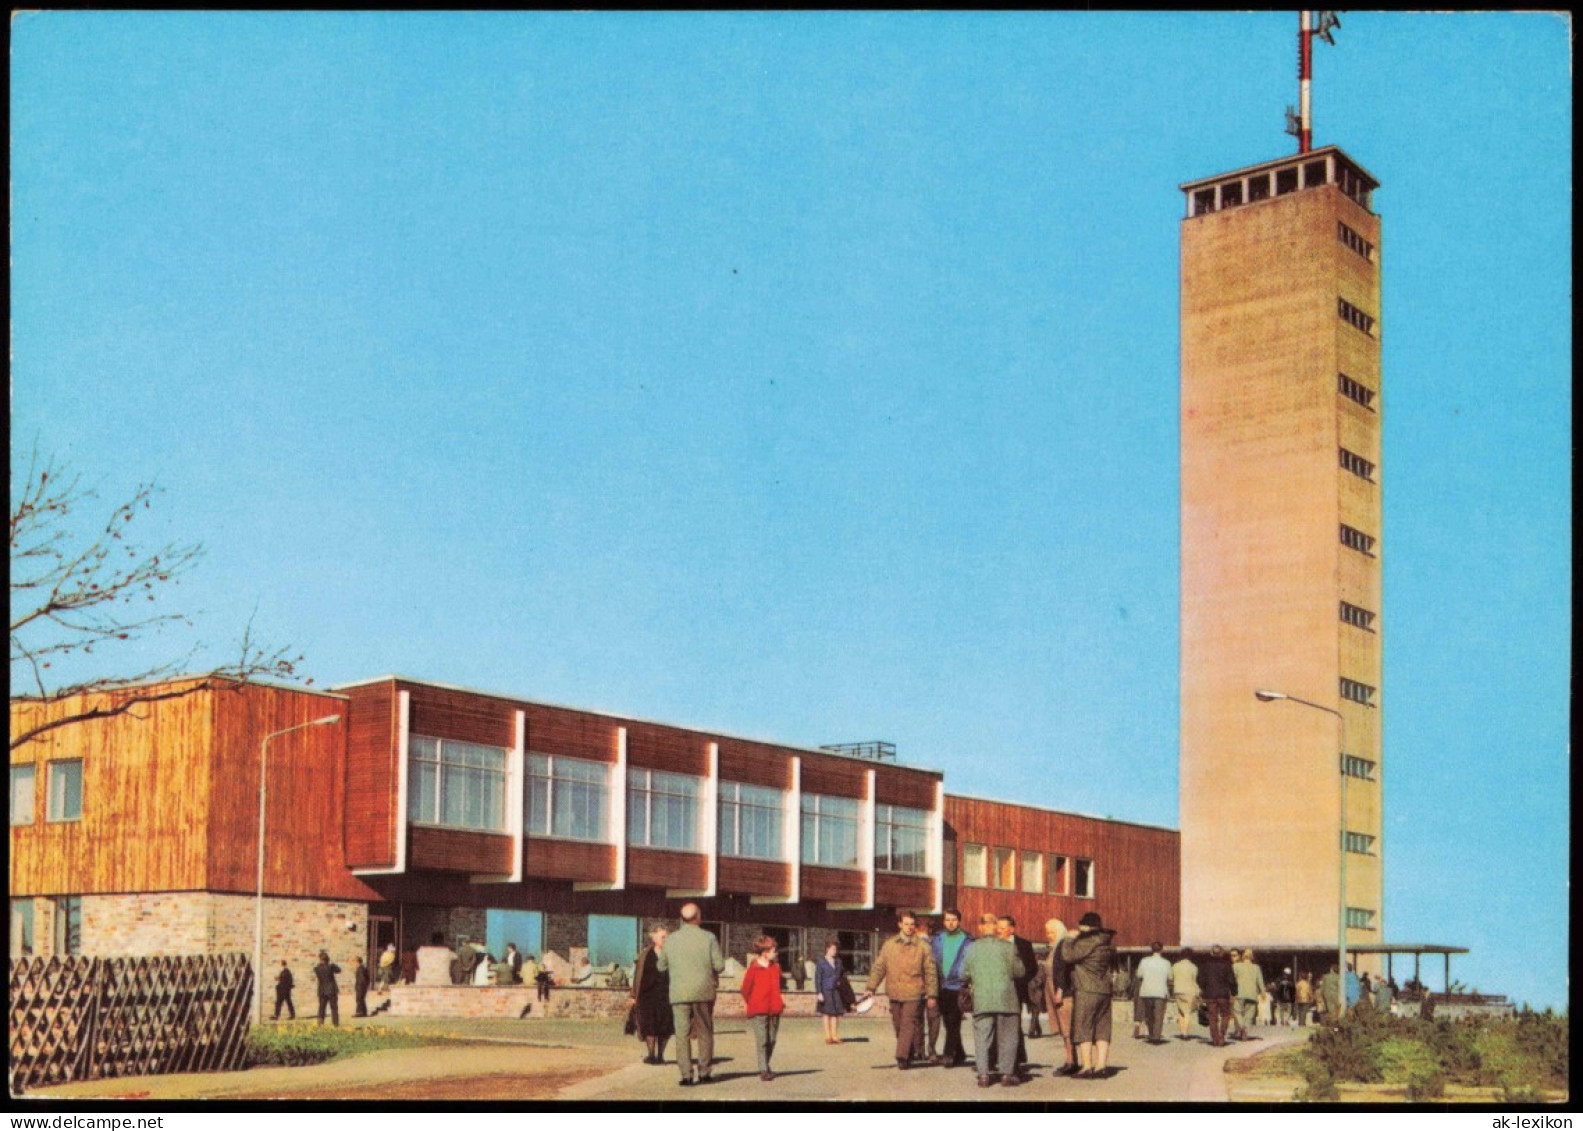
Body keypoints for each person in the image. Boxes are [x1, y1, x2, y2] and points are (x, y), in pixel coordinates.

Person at [656, 902, 725, 1087]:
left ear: (681, 918)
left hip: (679, 992)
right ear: (698, 916)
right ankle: (705, 1073)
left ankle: (686, 1075)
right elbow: (720, 965)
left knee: (682, 1034)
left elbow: (660, 966)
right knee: (705, 1033)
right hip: (704, 991)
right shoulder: (709, 937)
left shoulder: (671, 940)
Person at [865, 910, 939, 1071]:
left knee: (907, 1024)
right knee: (899, 1025)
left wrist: (932, 993)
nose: (909, 927)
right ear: (900, 924)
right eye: (906, 924)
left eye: (912, 924)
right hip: (894, 992)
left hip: (914, 992)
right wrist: (871, 987)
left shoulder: (923, 946)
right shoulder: (889, 945)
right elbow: (879, 967)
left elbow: (930, 971)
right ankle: (909, 1051)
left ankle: (902, 1056)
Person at [961, 910, 1025, 1088]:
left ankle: (983, 1075)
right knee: (1008, 1037)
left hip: (982, 999)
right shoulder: (1008, 947)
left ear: (980, 928)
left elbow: (963, 974)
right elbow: (1020, 972)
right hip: (1006, 999)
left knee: (982, 1037)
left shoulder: (971, 948)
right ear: (996, 927)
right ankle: (1006, 1074)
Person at [1059, 910, 1117, 1078]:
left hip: (1086, 989)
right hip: (1105, 991)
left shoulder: (1088, 941)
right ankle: (1101, 1067)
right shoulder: (1108, 943)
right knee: (1102, 1029)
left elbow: (1068, 956)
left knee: (1083, 1027)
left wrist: (1069, 938)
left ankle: (1086, 1067)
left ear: (1086, 926)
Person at [929, 908, 974, 1066]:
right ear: (943, 921)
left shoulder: (968, 940)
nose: (950, 923)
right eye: (947, 920)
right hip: (942, 985)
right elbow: (932, 961)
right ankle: (960, 1052)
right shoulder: (938, 938)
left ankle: (948, 1055)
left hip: (958, 985)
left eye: (953, 920)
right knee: (947, 1022)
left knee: (954, 1019)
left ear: (959, 921)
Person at [740, 935, 786, 1082]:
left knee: (771, 1039)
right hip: (758, 1009)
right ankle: (763, 1070)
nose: (776, 953)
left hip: (774, 1008)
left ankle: (765, 1064)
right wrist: (753, 1002)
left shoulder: (776, 967)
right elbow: (745, 990)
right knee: (762, 1041)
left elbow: (780, 986)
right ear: (765, 952)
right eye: (773, 950)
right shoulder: (753, 969)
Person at [629, 923, 675, 1065]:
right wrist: (633, 995)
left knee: (665, 1026)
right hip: (647, 996)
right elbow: (638, 976)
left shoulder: (672, 955)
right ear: (653, 937)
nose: (665, 939)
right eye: (662, 936)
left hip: (666, 995)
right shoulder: (644, 955)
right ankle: (651, 1054)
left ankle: (661, 1055)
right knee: (649, 1025)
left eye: (667, 937)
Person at [996, 916, 1036, 1076]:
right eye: (998, 927)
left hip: (1016, 990)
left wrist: (1020, 979)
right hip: (997, 990)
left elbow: (1032, 968)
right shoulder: (994, 943)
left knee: (1014, 1027)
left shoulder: (1024, 945)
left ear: (1012, 929)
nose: (999, 930)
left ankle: (1016, 1061)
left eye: (1003, 927)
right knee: (996, 1024)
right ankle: (997, 1060)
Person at [1043, 919, 1077, 1074]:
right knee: (1064, 1029)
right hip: (1053, 990)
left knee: (1067, 1029)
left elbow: (1063, 970)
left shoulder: (1062, 946)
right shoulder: (1054, 947)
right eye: (1047, 932)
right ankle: (1069, 1059)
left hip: (1062, 993)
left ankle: (1071, 1061)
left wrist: (1060, 990)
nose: (1048, 935)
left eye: (1052, 932)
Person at [1197, 945, 1237, 1047]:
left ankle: (1215, 1038)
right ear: (1222, 953)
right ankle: (1221, 1034)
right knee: (1225, 1015)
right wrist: (1234, 992)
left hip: (1210, 994)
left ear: (1211, 953)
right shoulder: (1227, 965)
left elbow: (1199, 979)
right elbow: (1232, 980)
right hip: (1223, 994)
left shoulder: (1205, 965)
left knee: (1212, 1016)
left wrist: (1204, 988)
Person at [1135, 941, 1172, 1043]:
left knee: (1149, 1015)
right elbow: (1170, 977)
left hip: (1147, 990)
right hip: (1160, 991)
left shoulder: (1144, 961)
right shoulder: (1166, 963)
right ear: (1162, 950)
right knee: (1158, 1015)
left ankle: (1151, 1034)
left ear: (1151, 949)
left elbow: (1139, 975)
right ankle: (1156, 1036)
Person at [814, 937, 847, 1045]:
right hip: (825, 991)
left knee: (835, 1014)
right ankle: (828, 1037)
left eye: (836, 949)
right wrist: (819, 992)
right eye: (832, 949)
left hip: (836, 990)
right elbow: (818, 977)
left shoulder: (838, 962)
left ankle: (835, 1035)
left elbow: (842, 976)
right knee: (826, 1013)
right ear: (827, 949)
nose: (834, 951)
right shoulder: (821, 962)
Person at [1233, 948, 1265, 1039]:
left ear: (1242, 956)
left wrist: (1231, 992)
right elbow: (1260, 981)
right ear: (1252, 957)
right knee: (1249, 1014)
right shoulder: (1256, 968)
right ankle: (1245, 1029)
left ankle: (1241, 1025)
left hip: (1239, 993)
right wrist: (1263, 993)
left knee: (1237, 1012)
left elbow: (1233, 980)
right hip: (1252, 994)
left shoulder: (1236, 966)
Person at [1170, 947, 1201, 1040]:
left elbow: (1171, 978)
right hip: (1189, 990)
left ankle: (1182, 1031)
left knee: (1180, 1011)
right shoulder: (1193, 967)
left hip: (1177, 990)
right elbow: (1194, 980)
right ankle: (1185, 1033)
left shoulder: (1175, 966)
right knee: (1187, 1012)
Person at [313, 950, 341, 1027]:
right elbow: (339, 970)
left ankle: (320, 1023)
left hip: (322, 990)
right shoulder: (331, 967)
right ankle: (335, 1024)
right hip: (331, 990)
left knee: (321, 1008)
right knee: (334, 1008)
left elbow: (316, 968)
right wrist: (332, 964)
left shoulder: (317, 968)